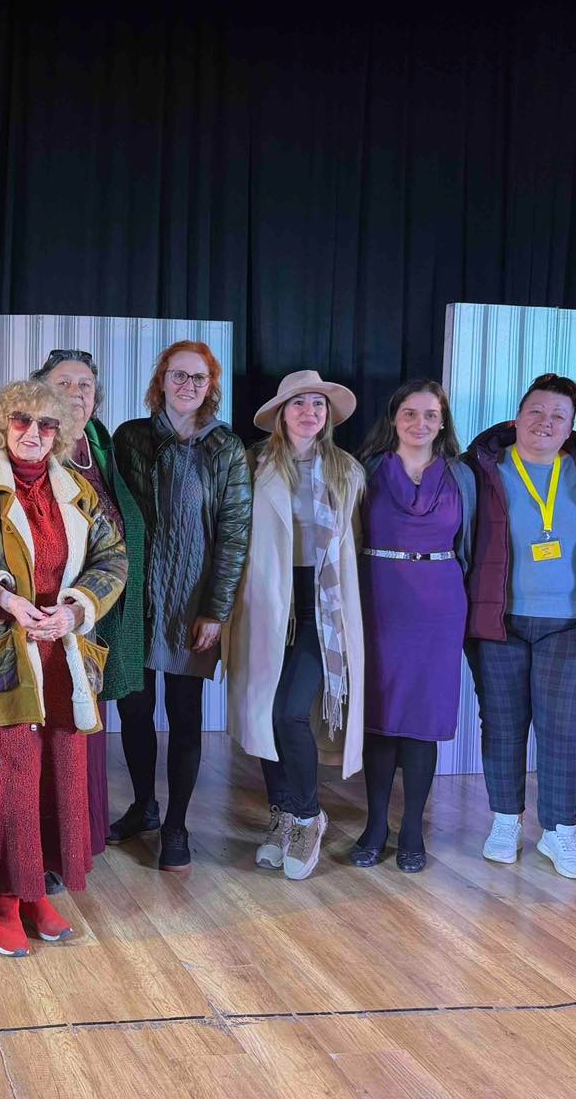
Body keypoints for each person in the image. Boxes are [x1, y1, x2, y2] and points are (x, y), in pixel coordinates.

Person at [0, 348, 146, 884]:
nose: (33, 432)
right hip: (4, 649)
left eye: (46, 424)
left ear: (60, 434)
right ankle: (1, 894)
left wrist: (76, 610)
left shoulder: (78, 490)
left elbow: (113, 558)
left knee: (64, 769)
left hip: (65, 653)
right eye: (22, 420)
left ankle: (42, 890)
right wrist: (5, 599)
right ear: (2, 425)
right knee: (8, 772)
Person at [463, 374, 576, 880]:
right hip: (499, 619)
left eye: (558, 416)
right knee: (502, 725)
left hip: (570, 623)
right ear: (517, 417)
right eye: (536, 411)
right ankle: (505, 822)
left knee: (565, 731)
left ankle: (560, 831)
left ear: (571, 427)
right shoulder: (480, 469)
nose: (545, 423)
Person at [111, 341, 251, 872]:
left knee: (185, 714)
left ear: (211, 385)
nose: (187, 385)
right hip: (135, 599)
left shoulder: (227, 448)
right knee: (134, 709)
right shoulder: (130, 437)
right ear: (161, 381)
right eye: (178, 375)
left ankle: (176, 824)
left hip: (192, 605)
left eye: (198, 377)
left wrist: (216, 610)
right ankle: (143, 805)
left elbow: (235, 535)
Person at [228, 370, 364, 881]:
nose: (310, 412)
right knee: (265, 710)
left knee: (290, 712)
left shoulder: (347, 470)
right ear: (281, 413)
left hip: (320, 606)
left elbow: (355, 545)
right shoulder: (253, 465)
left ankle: (309, 816)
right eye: (299, 403)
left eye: (318, 405)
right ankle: (282, 812)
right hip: (268, 603)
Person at [352, 381, 476, 872]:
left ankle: (411, 831)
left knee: (424, 720)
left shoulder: (462, 475)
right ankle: (375, 825)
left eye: (430, 414)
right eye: (409, 413)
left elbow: (474, 543)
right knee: (380, 715)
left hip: (440, 604)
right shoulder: (366, 470)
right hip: (379, 598)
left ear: (442, 422)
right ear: (393, 418)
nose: (419, 423)